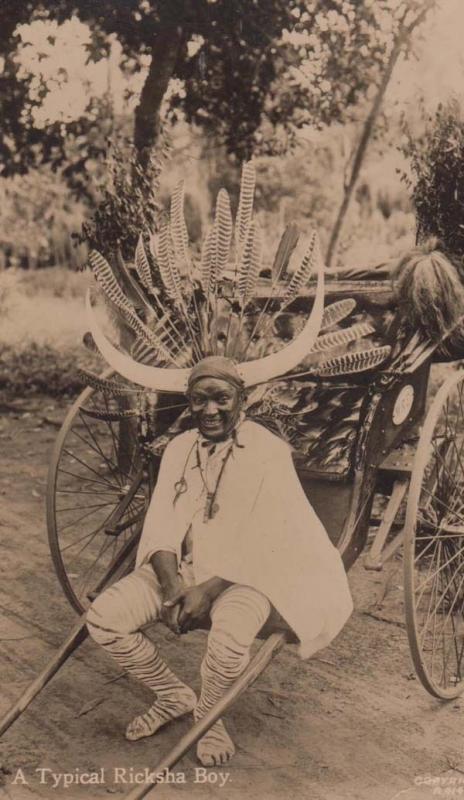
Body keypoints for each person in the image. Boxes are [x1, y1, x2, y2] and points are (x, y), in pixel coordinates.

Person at [86, 356, 353, 768]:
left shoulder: (268, 451)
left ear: (242, 399)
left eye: (221, 399)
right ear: (189, 403)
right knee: (102, 619)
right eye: (198, 401)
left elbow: (271, 540)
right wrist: (173, 587)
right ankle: (174, 695)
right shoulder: (179, 447)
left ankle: (209, 719)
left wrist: (207, 591)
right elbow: (160, 525)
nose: (210, 411)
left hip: (247, 578)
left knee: (229, 646)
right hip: (188, 571)